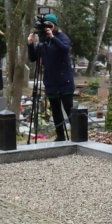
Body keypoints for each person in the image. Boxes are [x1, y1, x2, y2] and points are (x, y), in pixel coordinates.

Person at [27, 13, 75, 141]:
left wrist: (52, 37)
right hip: (50, 82)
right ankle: (60, 135)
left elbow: (64, 49)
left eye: (50, 25)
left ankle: (77, 135)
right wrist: (30, 44)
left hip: (64, 81)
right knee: (55, 110)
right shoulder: (44, 42)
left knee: (68, 108)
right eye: (45, 25)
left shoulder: (61, 37)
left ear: (55, 26)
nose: (47, 27)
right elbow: (33, 58)